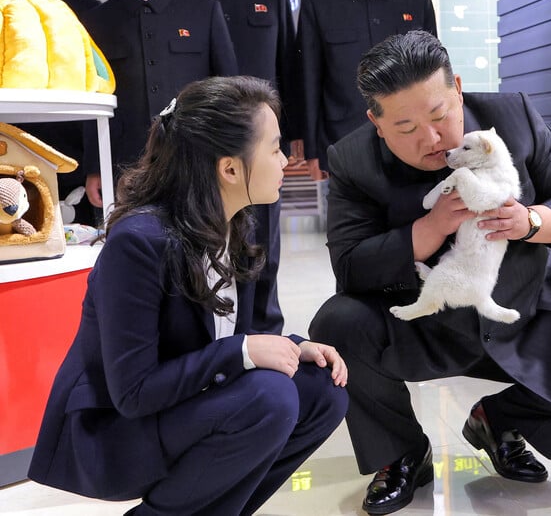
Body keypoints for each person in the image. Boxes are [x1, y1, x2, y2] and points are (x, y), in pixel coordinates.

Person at [308, 31, 551, 515]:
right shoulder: (352, 159)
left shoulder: (513, 116)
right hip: (426, 318)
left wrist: (528, 222)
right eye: (405, 127)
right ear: (376, 123)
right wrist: (429, 228)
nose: (431, 139)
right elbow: (350, 266)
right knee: (336, 323)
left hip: (522, 304)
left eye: (440, 115)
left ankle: (499, 421)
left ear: (459, 90)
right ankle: (402, 453)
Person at [28, 76, 349, 515]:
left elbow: (242, 337)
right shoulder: (139, 242)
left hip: (187, 405)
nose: (284, 160)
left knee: (322, 389)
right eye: (275, 149)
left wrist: (295, 347)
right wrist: (243, 351)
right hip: (119, 432)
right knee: (270, 398)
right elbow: (134, 392)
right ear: (229, 169)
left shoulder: (239, 223)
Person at [171, 0, 296, 333]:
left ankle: (265, 331)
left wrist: (291, 136)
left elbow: (288, 61)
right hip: (205, 143)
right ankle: (218, 335)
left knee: (264, 241)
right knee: (208, 241)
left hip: (262, 141)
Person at [81, 0, 238, 214]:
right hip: (124, 163)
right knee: (129, 238)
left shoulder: (203, 11)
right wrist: (94, 166)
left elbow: (228, 90)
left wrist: (230, 154)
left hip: (196, 159)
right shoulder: (96, 22)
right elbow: (91, 98)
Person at [294, 0, 437, 181]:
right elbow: (308, 79)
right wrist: (313, 149)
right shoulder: (317, 2)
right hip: (343, 141)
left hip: (412, 139)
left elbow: (434, 73)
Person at [0, 0, 101, 225]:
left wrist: (96, 165)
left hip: (74, 160)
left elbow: (102, 86)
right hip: (7, 158)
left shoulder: (86, 12)